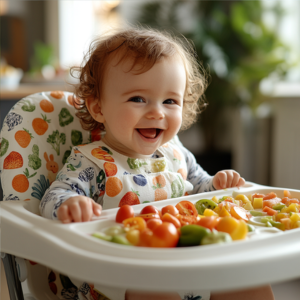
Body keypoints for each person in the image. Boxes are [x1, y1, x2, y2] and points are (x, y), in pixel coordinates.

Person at [40, 27, 274, 300]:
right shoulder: (92, 162)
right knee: (149, 291)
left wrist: (217, 184)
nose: (157, 112)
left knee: (248, 281)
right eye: (138, 99)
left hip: (188, 264)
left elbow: (200, 186)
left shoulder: (176, 153)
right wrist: (70, 203)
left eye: (170, 101)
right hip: (118, 277)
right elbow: (52, 197)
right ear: (98, 108)